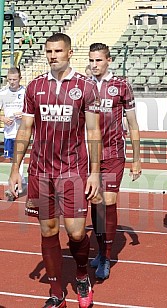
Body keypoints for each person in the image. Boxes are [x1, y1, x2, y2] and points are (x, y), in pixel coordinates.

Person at [8, 33, 101, 308]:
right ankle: (56, 292)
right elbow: (25, 129)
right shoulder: (35, 87)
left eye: (58, 51)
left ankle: (82, 275)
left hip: (73, 171)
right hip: (40, 172)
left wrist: (95, 172)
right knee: (48, 231)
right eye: (49, 51)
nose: (52, 56)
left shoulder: (86, 87)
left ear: (70, 52)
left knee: (76, 233)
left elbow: (93, 130)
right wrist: (16, 169)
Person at [88, 42, 141, 280]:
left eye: (98, 60)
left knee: (108, 202)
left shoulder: (121, 85)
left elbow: (132, 123)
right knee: (95, 203)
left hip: (113, 153)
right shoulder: (83, 86)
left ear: (108, 60)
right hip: (89, 155)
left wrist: (137, 159)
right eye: (91, 60)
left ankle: (107, 257)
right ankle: (100, 249)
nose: (94, 64)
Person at [0, 67, 27, 200]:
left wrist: (23, 114)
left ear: (20, 79)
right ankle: (19, 181)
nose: (12, 82)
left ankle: (15, 187)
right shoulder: (3, 93)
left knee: (19, 158)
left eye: (14, 80)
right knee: (12, 159)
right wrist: (3, 118)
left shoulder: (25, 92)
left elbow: (33, 111)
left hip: (22, 131)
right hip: (9, 133)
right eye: (9, 79)